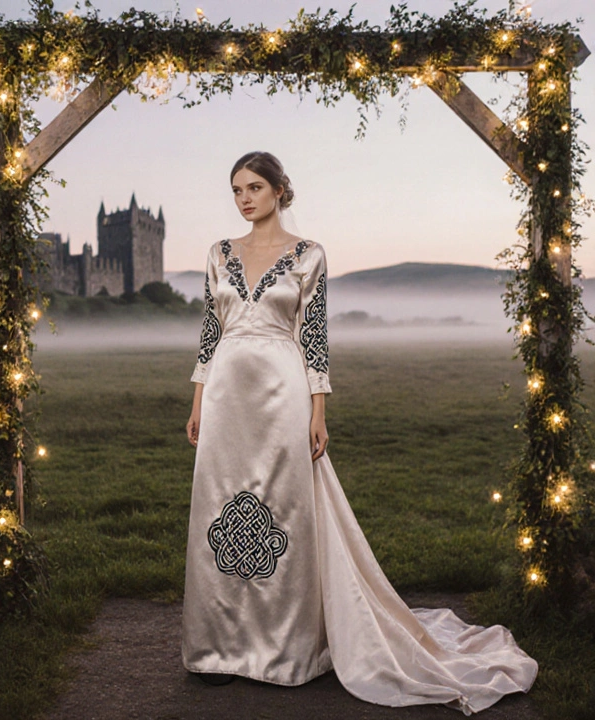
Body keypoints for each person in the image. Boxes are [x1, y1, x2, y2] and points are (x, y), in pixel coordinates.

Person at [181, 151, 537, 714]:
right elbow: (209, 333)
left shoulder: (309, 255)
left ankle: (286, 652)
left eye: (254, 187)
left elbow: (314, 336)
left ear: (279, 190)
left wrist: (318, 411)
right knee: (221, 511)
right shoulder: (218, 254)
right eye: (236, 190)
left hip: (283, 394)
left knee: (284, 512)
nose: (244, 198)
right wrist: (198, 400)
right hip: (226, 396)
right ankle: (219, 649)